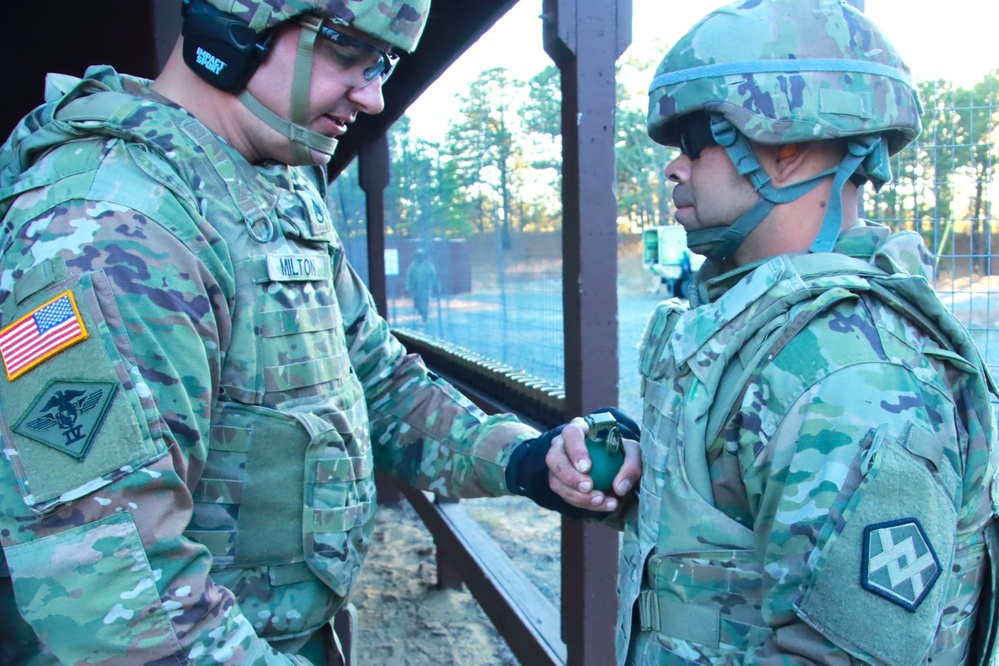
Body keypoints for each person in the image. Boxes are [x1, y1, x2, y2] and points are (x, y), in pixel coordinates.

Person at [0, 1, 640, 663]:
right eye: (347, 53)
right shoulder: (104, 229)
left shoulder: (277, 185)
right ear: (237, 25)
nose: (372, 95)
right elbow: (113, 591)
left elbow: (382, 386)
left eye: (385, 63)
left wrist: (524, 461)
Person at [556, 0, 999, 663]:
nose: (674, 168)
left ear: (786, 149)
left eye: (695, 142)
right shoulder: (765, 326)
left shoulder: (849, 372)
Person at [405, 248, 438, 326]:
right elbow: (409, 277)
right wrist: (408, 286)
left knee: (424, 304)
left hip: (425, 288)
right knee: (417, 304)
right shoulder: (412, 266)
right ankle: (422, 314)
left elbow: (433, 276)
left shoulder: (428, 265)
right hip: (416, 289)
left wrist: (436, 285)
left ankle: (424, 319)